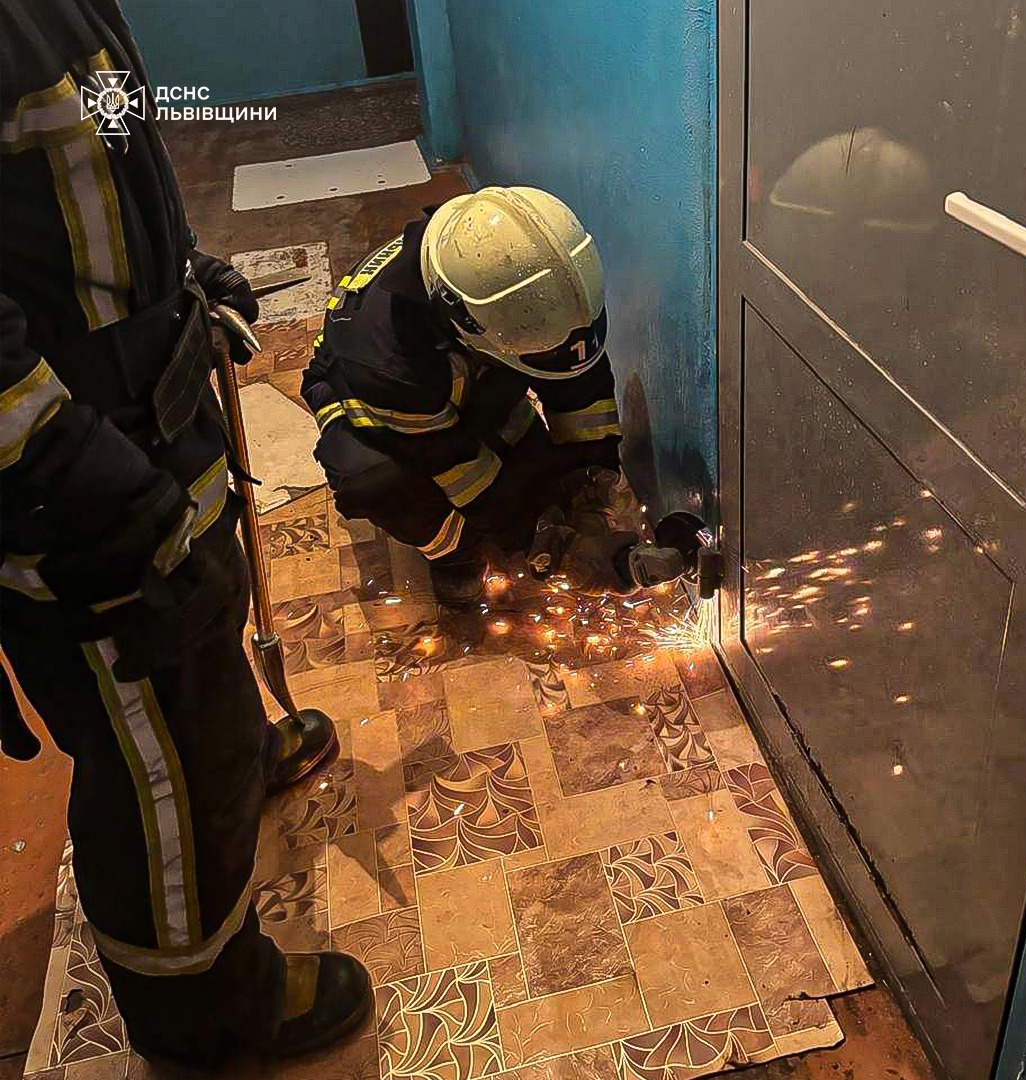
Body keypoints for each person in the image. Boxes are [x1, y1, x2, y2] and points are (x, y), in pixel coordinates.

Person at [0, 0, 372, 1068]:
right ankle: (208, 1016)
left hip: (143, 438)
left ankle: (228, 753)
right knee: (154, 775)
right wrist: (98, 487)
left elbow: (103, 166)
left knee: (199, 676)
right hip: (74, 503)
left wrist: (180, 270)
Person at [301, 186, 691, 605]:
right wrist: (549, 544)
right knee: (380, 481)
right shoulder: (388, 359)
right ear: (467, 325)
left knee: (541, 483)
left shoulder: (507, 265)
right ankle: (455, 555)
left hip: (453, 377)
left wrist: (591, 492)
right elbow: (453, 465)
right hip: (379, 415)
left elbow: (580, 385)